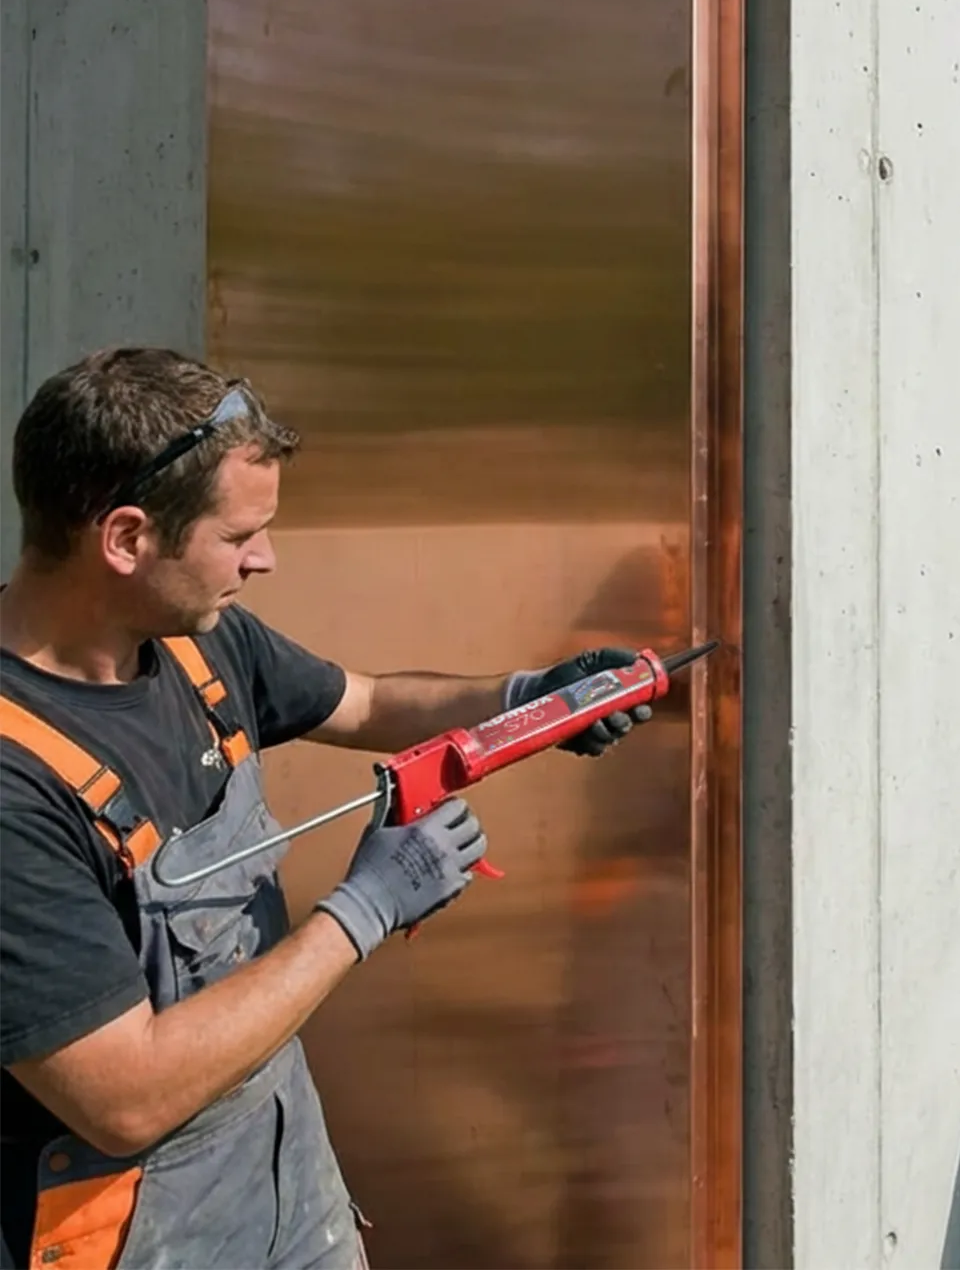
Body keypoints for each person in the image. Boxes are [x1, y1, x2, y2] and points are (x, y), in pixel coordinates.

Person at [0, 348, 657, 1270]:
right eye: (239, 536)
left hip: (284, 1192)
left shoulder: (192, 645)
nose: (264, 559)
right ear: (126, 538)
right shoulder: (15, 784)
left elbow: (368, 702)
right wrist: (362, 910)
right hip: (130, 1239)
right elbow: (124, 1096)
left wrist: (528, 699)